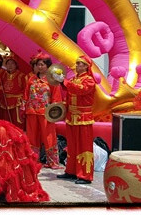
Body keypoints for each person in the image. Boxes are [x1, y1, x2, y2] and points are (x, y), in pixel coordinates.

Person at [57, 55, 96, 184]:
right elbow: (69, 93)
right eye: (77, 63)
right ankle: (71, 171)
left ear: (86, 66)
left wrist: (65, 83)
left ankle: (85, 175)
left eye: (80, 64)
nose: (77, 66)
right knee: (72, 145)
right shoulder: (74, 79)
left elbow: (80, 90)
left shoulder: (89, 80)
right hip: (71, 116)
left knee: (83, 146)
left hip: (83, 117)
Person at [24, 53, 62, 169]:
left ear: (47, 66)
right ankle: (33, 159)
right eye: (38, 65)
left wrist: (54, 111)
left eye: (42, 65)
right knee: (32, 136)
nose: (40, 67)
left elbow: (56, 97)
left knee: (49, 136)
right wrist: (23, 106)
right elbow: (26, 95)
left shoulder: (52, 80)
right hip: (32, 111)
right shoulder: (31, 79)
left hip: (46, 112)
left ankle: (52, 161)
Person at [0, 55, 26, 129]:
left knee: (17, 122)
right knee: (5, 122)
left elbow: (25, 89)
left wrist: (21, 99)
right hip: (5, 101)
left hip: (16, 102)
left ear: (16, 65)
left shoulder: (21, 76)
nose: (10, 65)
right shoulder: (3, 75)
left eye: (12, 63)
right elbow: (0, 87)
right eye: (8, 63)